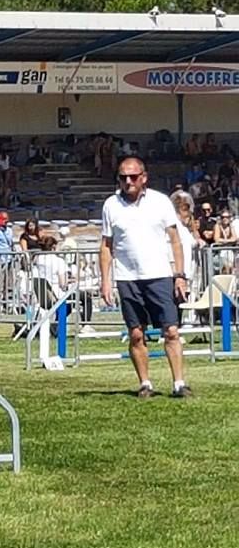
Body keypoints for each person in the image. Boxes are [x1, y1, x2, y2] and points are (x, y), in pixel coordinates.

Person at [99, 156, 191, 399]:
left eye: (133, 176)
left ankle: (179, 383)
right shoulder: (111, 205)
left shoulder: (160, 202)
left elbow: (175, 241)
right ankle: (145, 383)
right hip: (127, 278)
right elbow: (106, 245)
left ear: (144, 178)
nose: (128, 181)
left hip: (160, 275)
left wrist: (180, 276)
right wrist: (106, 281)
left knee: (171, 330)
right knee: (136, 334)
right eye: (122, 177)